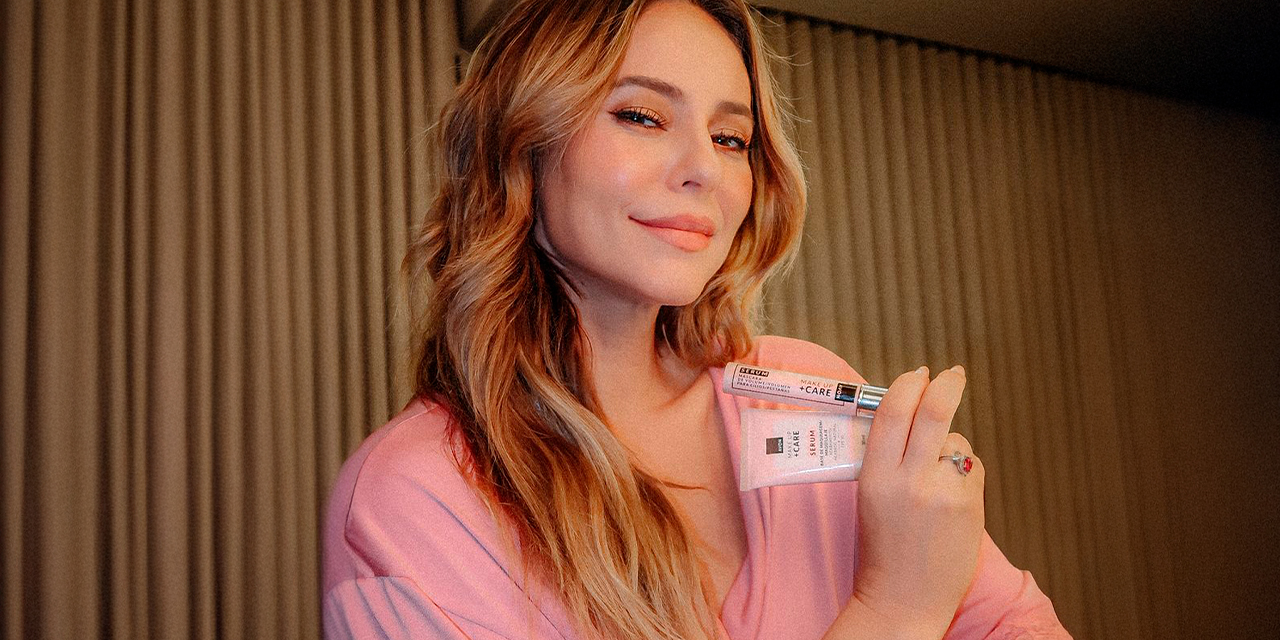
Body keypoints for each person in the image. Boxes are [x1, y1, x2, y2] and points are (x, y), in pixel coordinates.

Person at [322, 0, 1072, 638]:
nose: (705, 169)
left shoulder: (803, 391)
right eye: (642, 116)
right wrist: (898, 609)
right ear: (522, 145)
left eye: (730, 138)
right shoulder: (416, 497)